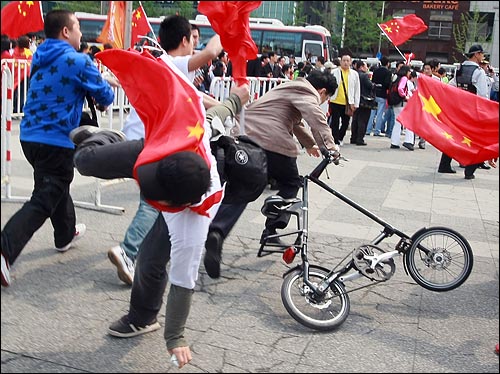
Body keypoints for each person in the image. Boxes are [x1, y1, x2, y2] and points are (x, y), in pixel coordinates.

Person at [1, 9, 116, 288]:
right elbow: (106, 96)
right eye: (77, 28)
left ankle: (65, 235)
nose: (80, 34)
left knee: (54, 185)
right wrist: (105, 86)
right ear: (66, 31)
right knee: (46, 195)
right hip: (55, 139)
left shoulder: (40, 56)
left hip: (29, 136)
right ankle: (4, 249)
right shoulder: (79, 60)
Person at [106, 15, 224, 286]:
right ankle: (128, 250)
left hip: (143, 139)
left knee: (157, 200)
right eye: (192, 40)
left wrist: (223, 103)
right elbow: (212, 52)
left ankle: (141, 252)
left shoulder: (164, 65)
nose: (195, 45)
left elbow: (196, 96)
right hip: (153, 143)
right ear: (183, 41)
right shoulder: (173, 62)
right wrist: (224, 26)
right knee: (151, 202)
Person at [203, 69, 339, 279]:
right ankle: (272, 231)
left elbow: (294, 122)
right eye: (325, 98)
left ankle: (217, 231)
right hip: (272, 142)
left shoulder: (288, 86)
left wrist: (311, 144)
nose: (321, 101)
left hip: (245, 138)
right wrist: (330, 147)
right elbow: (314, 116)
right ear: (322, 91)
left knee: (243, 188)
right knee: (291, 182)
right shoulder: (307, 91)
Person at [448, 44, 494, 179]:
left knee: (455, 137)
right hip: (473, 111)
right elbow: (482, 95)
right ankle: (469, 170)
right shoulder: (478, 72)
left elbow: (451, 86)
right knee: (477, 141)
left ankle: (444, 164)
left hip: (459, 109)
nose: (483, 56)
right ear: (476, 54)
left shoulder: (460, 69)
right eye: (482, 54)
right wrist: (486, 112)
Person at [328, 52, 360, 146]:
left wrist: (356, 103)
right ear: (340, 61)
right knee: (335, 122)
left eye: (347, 61)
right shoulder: (334, 72)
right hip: (335, 100)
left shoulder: (354, 74)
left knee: (346, 123)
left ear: (350, 62)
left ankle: (340, 137)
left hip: (347, 102)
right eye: (344, 60)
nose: (345, 62)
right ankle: (335, 140)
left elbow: (357, 90)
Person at [350, 60, 374, 146]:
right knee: (363, 120)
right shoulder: (364, 76)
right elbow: (369, 85)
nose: (367, 68)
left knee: (355, 119)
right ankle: (360, 139)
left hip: (356, 100)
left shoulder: (353, 74)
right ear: (361, 67)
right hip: (364, 100)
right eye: (365, 66)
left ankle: (353, 137)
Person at [389, 65, 412, 150]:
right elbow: (400, 89)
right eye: (409, 71)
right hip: (402, 103)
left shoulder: (395, 77)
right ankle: (408, 141)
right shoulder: (404, 78)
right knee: (409, 122)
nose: (410, 73)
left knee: (397, 123)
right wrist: (405, 96)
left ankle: (394, 142)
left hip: (395, 103)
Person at [371, 56, 392, 137]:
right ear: (388, 63)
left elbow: (373, 81)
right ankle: (377, 130)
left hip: (375, 93)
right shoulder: (388, 72)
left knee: (372, 112)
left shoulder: (376, 71)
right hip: (382, 94)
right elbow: (387, 84)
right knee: (380, 113)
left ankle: (368, 129)